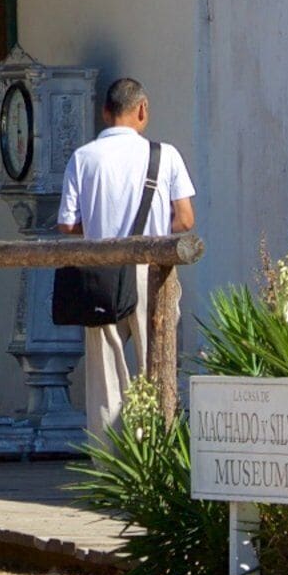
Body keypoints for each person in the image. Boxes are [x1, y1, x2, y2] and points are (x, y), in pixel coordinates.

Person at [54, 76, 197, 435]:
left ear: (105, 112)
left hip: (99, 271)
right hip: (152, 271)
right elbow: (185, 219)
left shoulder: (83, 157)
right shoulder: (165, 155)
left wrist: (104, 223)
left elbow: (67, 225)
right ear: (143, 110)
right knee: (158, 365)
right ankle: (157, 454)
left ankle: (108, 470)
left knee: (104, 376)